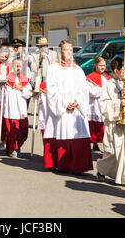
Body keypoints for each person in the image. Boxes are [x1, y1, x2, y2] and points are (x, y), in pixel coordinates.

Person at [45, 40, 93, 174]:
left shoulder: (78, 70)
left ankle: (78, 166)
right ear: (60, 52)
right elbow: (51, 89)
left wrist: (78, 101)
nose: (68, 53)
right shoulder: (53, 69)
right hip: (61, 109)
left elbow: (84, 89)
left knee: (77, 133)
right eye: (66, 50)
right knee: (61, 131)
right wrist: (64, 103)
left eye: (71, 50)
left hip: (77, 108)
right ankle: (61, 164)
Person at [96, 57, 125, 187]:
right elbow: (103, 105)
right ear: (115, 70)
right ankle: (102, 170)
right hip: (113, 123)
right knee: (113, 153)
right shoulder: (108, 85)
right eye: (123, 70)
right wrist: (119, 103)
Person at [3, 57, 32, 158]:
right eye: (16, 66)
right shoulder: (7, 79)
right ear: (12, 67)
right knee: (12, 132)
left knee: (23, 131)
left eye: (20, 66)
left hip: (21, 110)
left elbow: (29, 94)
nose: (18, 68)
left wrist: (22, 89)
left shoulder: (25, 79)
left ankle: (17, 145)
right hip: (11, 109)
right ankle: (12, 149)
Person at [86, 57, 111, 152]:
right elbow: (89, 91)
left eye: (104, 65)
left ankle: (105, 145)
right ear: (95, 65)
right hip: (94, 105)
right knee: (93, 126)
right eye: (100, 65)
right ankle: (93, 144)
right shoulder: (90, 78)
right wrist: (101, 91)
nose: (102, 67)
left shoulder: (107, 77)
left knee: (103, 127)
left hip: (104, 104)